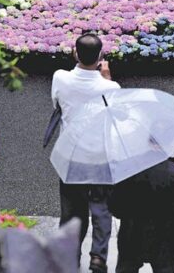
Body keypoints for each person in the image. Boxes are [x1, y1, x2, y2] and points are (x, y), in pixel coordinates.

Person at [51, 33, 120, 273]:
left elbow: (57, 105)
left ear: (75, 53)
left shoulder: (60, 78)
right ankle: (98, 257)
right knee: (101, 209)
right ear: (101, 56)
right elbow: (113, 116)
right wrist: (107, 78)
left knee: (71, 212)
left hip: (71, 156)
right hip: (100, 156)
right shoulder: (111, 87)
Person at [108, 159, 174, 273]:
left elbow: (116, 208)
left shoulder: (126, 175)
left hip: (133, 233)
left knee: (127, 268)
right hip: (168, 234)